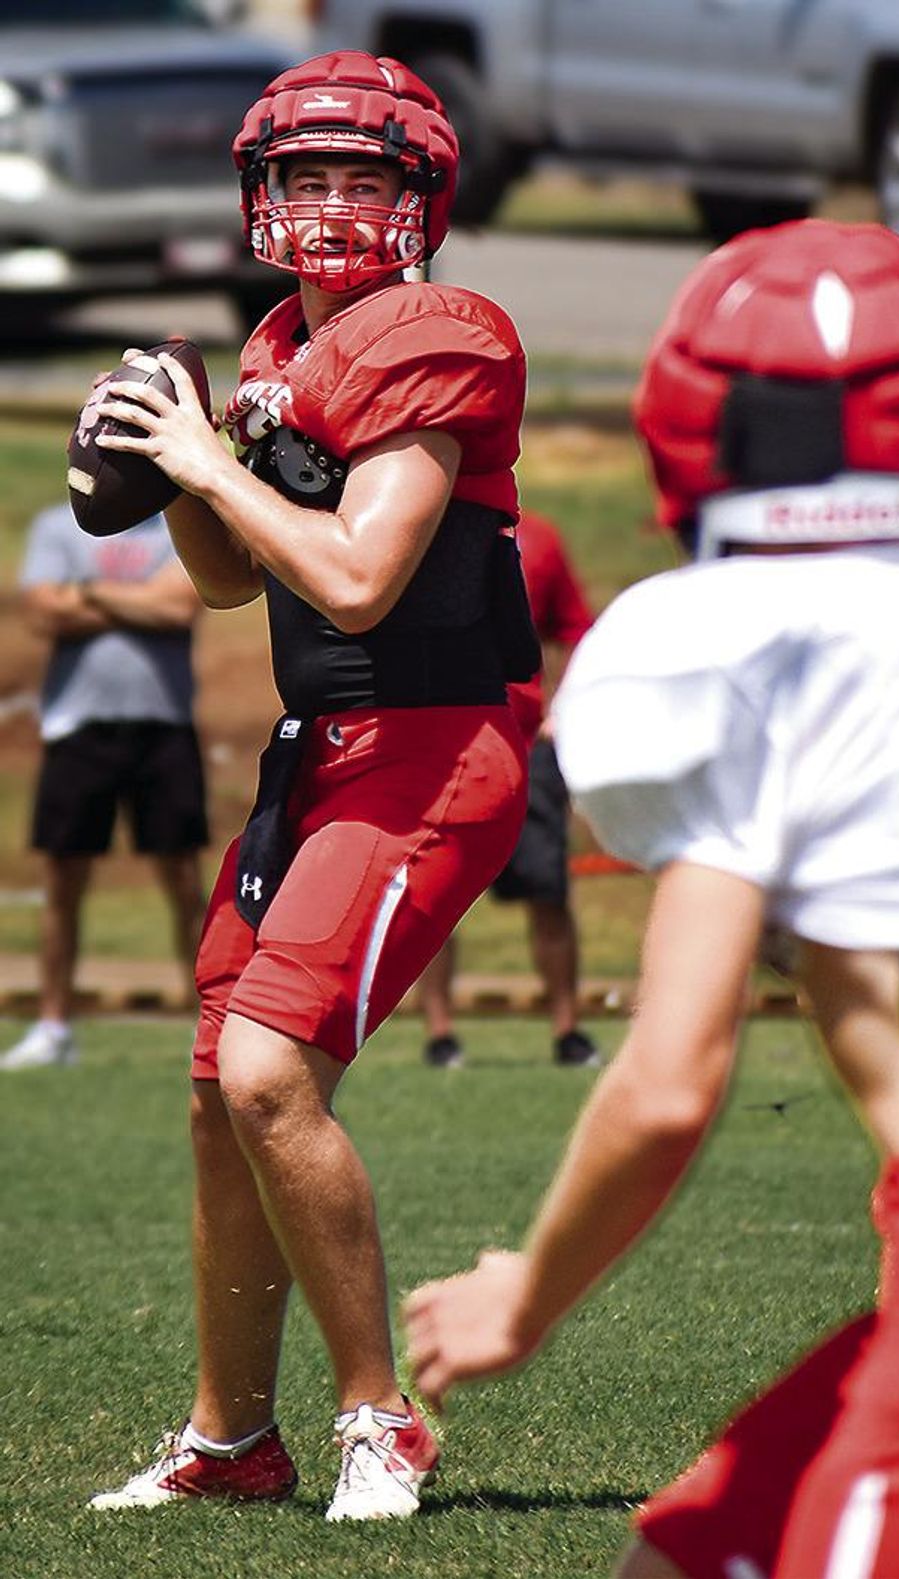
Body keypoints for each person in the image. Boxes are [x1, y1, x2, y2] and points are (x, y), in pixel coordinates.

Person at [404, 220, 899, 1579]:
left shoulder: (721, 653)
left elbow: (672, 1077)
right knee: (691, 1557)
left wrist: (524, 1293)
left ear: (693, 423)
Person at [87, 51, 535, 1523]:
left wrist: (213, 463)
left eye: (365, 175)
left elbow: (353, 578)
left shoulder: (439, 330)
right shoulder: (285, 339)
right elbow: (230, 586)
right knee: (223, 1085)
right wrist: (175, 466)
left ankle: (378, 1417)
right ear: (256, 195)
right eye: (303, 175)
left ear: (424, 201)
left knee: (275, 1069)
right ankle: (233, 1436)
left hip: (430, 751)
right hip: (323, 757)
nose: (332, 204)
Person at [1, 505, 207, 1071]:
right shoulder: (53, 526)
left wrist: (87, 591)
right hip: (77, 725)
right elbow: (43, 612)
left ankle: (207, 1029)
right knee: (63, 880)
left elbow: (180, 607)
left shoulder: (180, 527)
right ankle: (53, 1026)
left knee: (184, 878)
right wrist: (139, 598)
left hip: (165, 724)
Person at [418, 506, 599, 1069]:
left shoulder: (539, 538)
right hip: (441, 740)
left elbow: (577, 630)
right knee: (432, 897)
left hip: (524, 742)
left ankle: (568, 1030)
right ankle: (440, 1033)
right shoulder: (417, 520)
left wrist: (562, 711)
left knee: (548, 890)